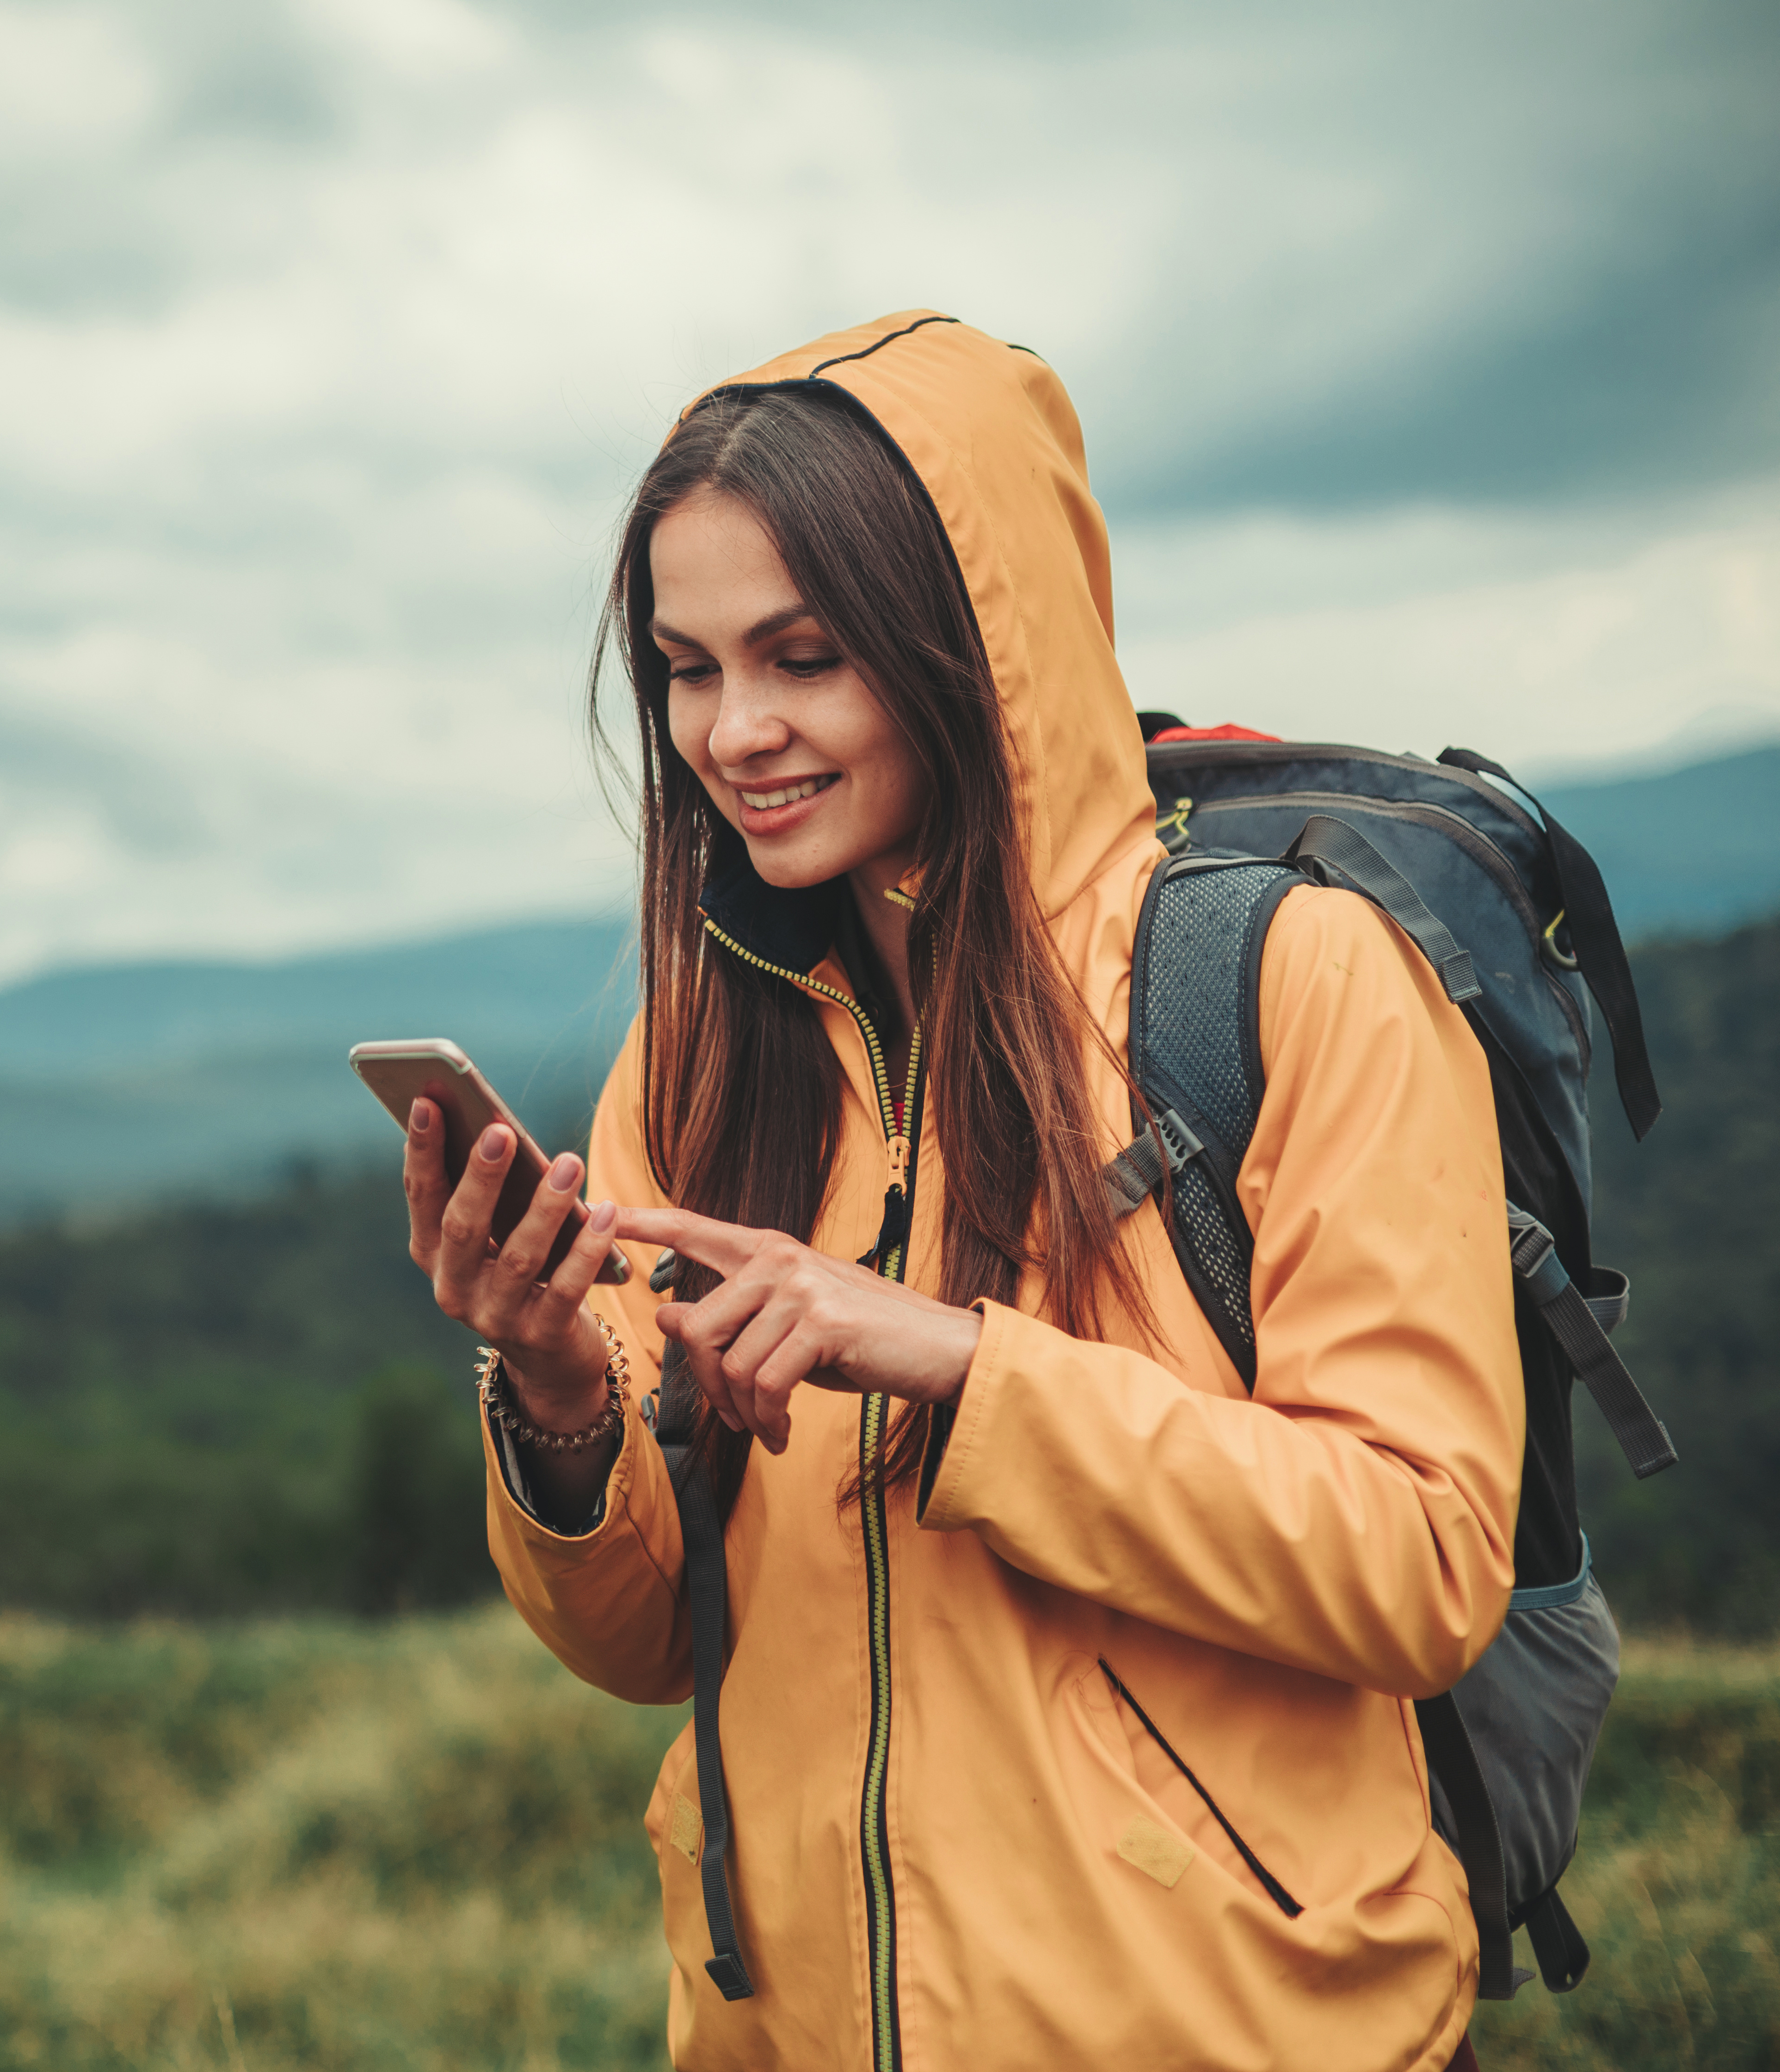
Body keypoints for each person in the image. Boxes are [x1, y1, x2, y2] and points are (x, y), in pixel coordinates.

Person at [401, 312, 1520, 2072]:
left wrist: (960, 1364)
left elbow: (1426, 1565)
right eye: (690, 669)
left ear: (964, 652)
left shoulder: (1296, 986)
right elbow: (642, 1647)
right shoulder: (694, 1066)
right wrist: (556, 1397)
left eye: (804, 656)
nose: (734, 731)